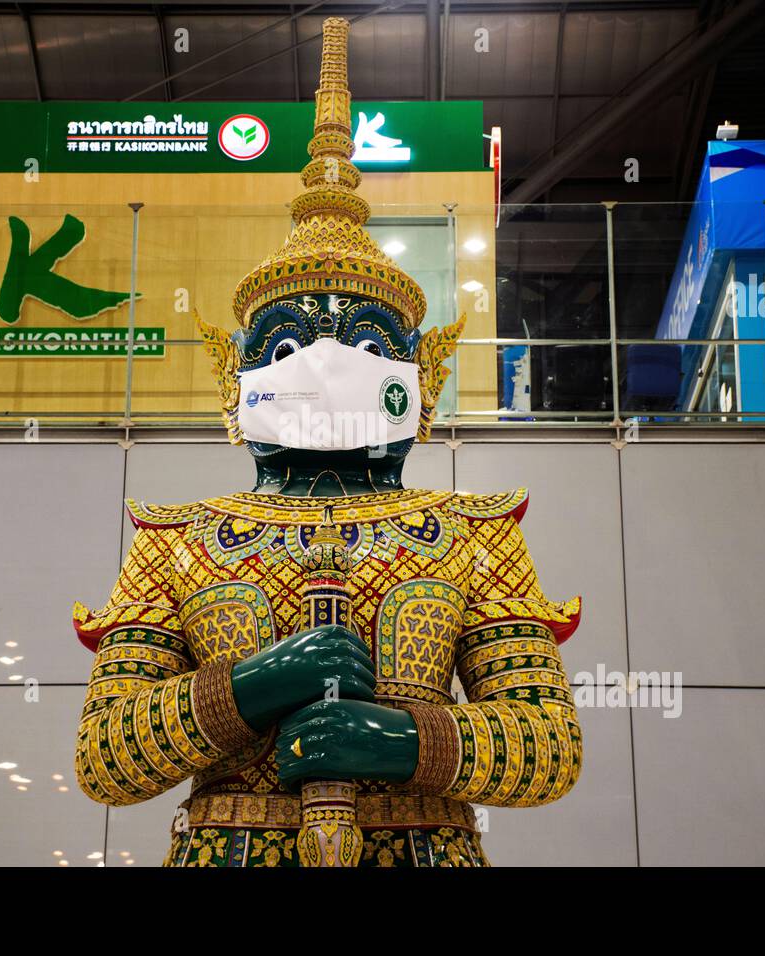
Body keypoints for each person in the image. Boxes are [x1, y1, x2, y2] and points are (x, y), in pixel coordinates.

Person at [72, 16, 581, 868]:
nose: (328, 368)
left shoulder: (474, 534)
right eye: (285, 350)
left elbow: (548, 744)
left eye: (370, 347)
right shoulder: (176, 543)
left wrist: (402, 741)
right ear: (233, 382)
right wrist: (250, 688)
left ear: (424, 378)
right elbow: (105, 759)